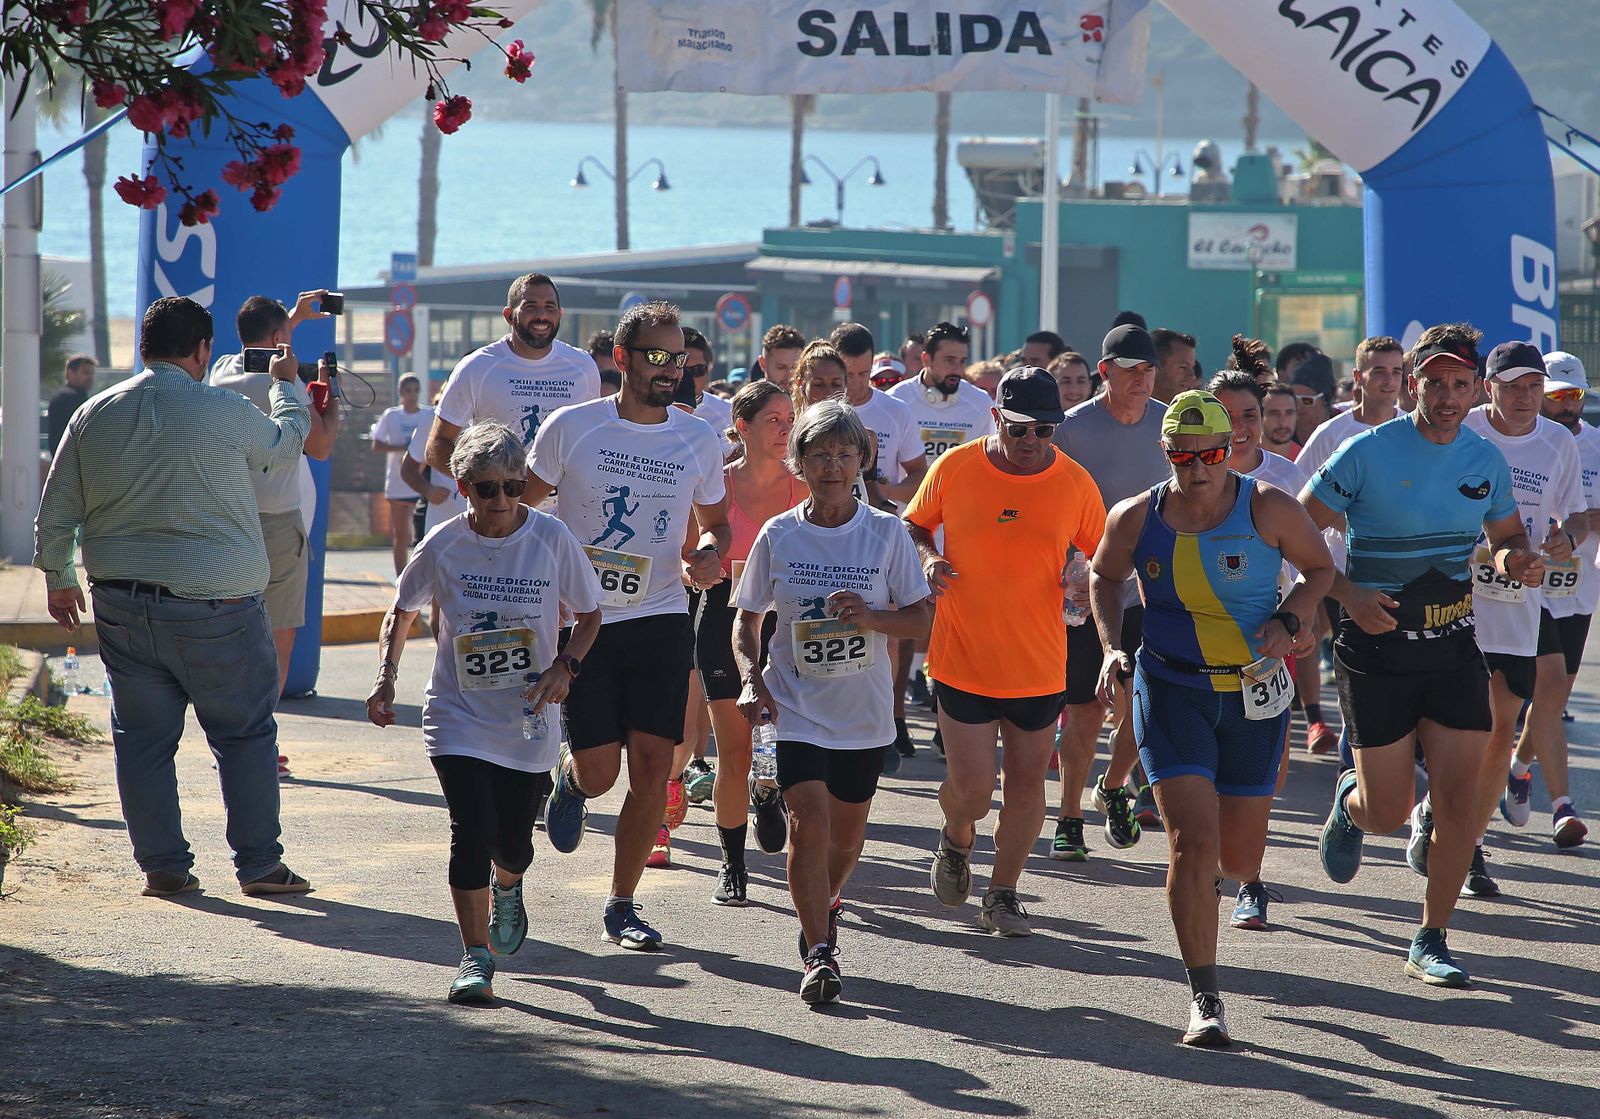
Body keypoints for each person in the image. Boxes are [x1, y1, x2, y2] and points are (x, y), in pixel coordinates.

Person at [34, 296, 312, 898]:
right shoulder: (225, 408)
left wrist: (59, 578)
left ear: (143, 347)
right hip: (219, 606)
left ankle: (164, 865)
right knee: (243, 735)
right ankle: (260, 866)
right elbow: (285, 448)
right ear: (203, 350)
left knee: (142, 740)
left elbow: (57, 508)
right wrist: (287, 389)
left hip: (122, 605)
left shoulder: (94, 413)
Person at [1303, 323, 1540, 988]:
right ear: (1414, 383)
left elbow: (1505, 534)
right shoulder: (1366, 450)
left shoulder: (1483, 459)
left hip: (1452, 645)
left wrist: (1512, 558)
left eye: (1459, 383)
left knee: (1460, 804)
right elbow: (1296, 522)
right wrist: (1344, 591)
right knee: (1387, 811)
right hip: (1375, 649)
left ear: (1475, 389)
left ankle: (1431, 936)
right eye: (1433, 381)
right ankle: (1351, 799)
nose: (1446, 394)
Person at [1093, 389, 1332, 1046]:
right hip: (1171, 686)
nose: (1197, 469)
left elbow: (1318, 569)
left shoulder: (1269, 506)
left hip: (1254, 691)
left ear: (1233, 449)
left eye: (1211, 454)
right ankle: (1205, 996)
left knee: (1237, 854)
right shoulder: (1136, 517)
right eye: (1182, 456)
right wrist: (1114, 647)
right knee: (1190, 845)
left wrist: (1291, 618)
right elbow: (1103, 576)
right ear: (1164, 452)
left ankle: (1212, 875)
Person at [365, 422, 602, 1004]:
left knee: (514, 842)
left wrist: (564, 667)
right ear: (464, 487)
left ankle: (509, 883)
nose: (502, 501)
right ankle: (474, 958)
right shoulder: (443, 543)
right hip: (458, 713)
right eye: (487, 489)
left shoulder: (550, 538)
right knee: (468, 828)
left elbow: (591, 614)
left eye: (513, 487)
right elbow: (401, 611)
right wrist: (384, 681)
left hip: (527, 714)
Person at [531, 301, 731, 951]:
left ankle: (623, 903)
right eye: (656, 356)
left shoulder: (697, 437)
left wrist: (709, 551)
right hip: (586, 623)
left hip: (661, 615)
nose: (670, 369)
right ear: (622, 358)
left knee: (653, 766)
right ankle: (570, 778)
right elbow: (521, 506)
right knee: (599, 774)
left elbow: (718, 523)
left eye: (678, 358)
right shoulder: (572, 428)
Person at [735, 399, 932, 1003]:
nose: (833, 464)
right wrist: (751, 677)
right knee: (810, 826)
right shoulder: (780, 534)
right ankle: (819, 949)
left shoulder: (886, 532)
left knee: (845, 842)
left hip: (863, 714)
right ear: (799, 462)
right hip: (795, 706)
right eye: (820, 453)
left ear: (862, 462)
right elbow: (747, 622)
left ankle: (829, 897)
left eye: (845, 453)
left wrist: (873, 616)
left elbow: (922, 621)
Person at [907, 367, 1106, 936]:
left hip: (1039, 663)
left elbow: (1107, 558)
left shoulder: (1074, 483)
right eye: (1020, 429)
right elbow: (915, 524)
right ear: (997, 418)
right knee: (970, 794)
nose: (1032, 442)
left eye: (1045, 431)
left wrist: (1084, 573)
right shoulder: (956, 467)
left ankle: (1003, 892)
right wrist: (927, 559)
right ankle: (956, 840)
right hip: (962, 655)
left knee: (1024, 791)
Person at [1448, 342, 1586, 896]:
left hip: (1518, 603)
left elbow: (1573, 511)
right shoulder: (1465, 429)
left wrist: (1566, 536)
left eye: (1535, 386)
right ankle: (1442, 816)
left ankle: (1470, 843)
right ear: (1489, 388)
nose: (1526, 397)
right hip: (1454, 596)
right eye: (1513, 386)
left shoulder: (1558, 442)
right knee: (1461, 726)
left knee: (1500, 728)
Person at [210, 292, 342, 782]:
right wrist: (331, 400)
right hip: (279, 524)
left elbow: (264, 344)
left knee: (230, 638)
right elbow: (322, 447)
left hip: (228, 522)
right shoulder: (288, 386)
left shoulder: (221, 371)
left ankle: (232, 737)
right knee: (277, 642)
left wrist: (295, 319)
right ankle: (261, 742)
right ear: (279, 340)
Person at [1049, 324, 1169, 858]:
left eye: (1147, 370)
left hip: (1154, 587)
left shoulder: (1170, 423)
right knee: (1086, 710)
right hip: (1087, 589)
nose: (1141, 379)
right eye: (1129, 370)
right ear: (1105, 372)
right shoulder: (1072, 430)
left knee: (1146, 704)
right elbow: (1051, 506)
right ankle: (1069, 816)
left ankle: (1115, 786)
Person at [691, 382, 805, 903]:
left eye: (790, 419)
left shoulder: (805, 486)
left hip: (787, 624)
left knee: (785, 742)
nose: (785, 429)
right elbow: (684, 557)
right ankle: (732, 864)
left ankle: (770, 788)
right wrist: (699, 568)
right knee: (733, 752)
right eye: (774, 420)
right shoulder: (715, 484)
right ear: (743, 426)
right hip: (723, 619)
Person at [1206, 371, 1309, 927]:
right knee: (1206, 763)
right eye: (1230, 416)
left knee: (1264, 767)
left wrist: (1298, 615)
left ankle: (1250, 879)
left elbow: (1310, 565)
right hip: (1194, 641)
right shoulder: (1187, 473)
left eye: (1251, 415)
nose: (1243, 428)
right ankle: (1205, 867)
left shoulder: (1286, 478)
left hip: (1266, 641)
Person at [1292, 336, 1405, 756]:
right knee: (1360, 674)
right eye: (1379, 371)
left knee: (1397, 676)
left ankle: (1378, 756)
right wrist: (1340, 516)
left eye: (1396, 371)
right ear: (1357, 377)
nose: (1389, 381)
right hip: (1343, 576)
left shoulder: (1414, 429)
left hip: (1404, 576)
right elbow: (1296, 499)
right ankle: (1352, 759)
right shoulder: (1331, 434)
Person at [1506, 360, 1598, 848]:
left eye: (1575, 396)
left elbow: (1583, 518)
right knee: (1545, 686)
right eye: (1558, 396)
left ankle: (1520, 767)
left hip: (1578, 591)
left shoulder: (1593, 443)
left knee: (1552, 696)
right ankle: (1562, 805)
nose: (1568, 404)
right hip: (1530, 587)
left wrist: (1579, 526)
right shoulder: (1530, 440)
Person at [833, 322, 929, 758]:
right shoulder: (819, 413)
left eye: (862, 374)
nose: (855, 385)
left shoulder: (894, 412)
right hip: (825, 530)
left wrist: (880, 491)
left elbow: (918, 474)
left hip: (878, 531)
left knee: (887, 629)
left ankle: (890, 720)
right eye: (847, 375)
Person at [425, 273, 600, 476]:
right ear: (509, 315)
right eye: (530, 307)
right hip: (498, 506)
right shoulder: (477, 367)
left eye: (549, 307)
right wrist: (483, 488)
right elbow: (436, 446)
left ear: (560, 314)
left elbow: (593, 440)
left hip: (563, 507)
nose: (542, 316)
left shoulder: (583, 366)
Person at [371, 374, 431, 577]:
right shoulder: (392, 416)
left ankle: (422, 577)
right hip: (398, 481)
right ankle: (400, 580)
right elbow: (377, 444)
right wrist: (403, 447)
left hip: (422, 482)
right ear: (401, 393)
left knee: (424, 535)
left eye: (415, 390)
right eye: (408, 390)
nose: (412, 395)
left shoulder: (427, 415)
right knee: (401, 535)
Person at [685, 326, 733, 438]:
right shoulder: (649, 413)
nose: (687, 378)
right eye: (681, 369)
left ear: (709, 366)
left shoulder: (728, 414)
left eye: (697, 370)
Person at [47, 353, 96, 455]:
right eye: (85, 372)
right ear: (70, 373)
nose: (90, 377)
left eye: (92, 373)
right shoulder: (68, 398)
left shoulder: (76, 396)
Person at [1290, 353, 1337, 446]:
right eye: (1294, 399)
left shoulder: (1340, 431)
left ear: (1325, 400)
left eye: (1307, 400)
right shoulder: (1284, 433)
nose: (1298, 406)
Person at [1151, 328, 1198, 404]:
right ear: (1156, 367)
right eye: (1183, 367)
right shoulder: (1129, 412)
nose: (1192, 376)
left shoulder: (1189, 414)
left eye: (1192, 368)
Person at [754, 324, 806, 390]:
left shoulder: (811, 397)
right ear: (763, 363)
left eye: (795, 367)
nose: (790, 375)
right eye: (781, 367)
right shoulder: (749, 399)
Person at [1261, 382, 1302, 459]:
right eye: (1274, 414)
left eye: (1289, 413)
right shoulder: (1244, 457)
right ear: (1260, 416)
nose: (1282, 422)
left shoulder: (1304, 459)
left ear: (1296, 415)